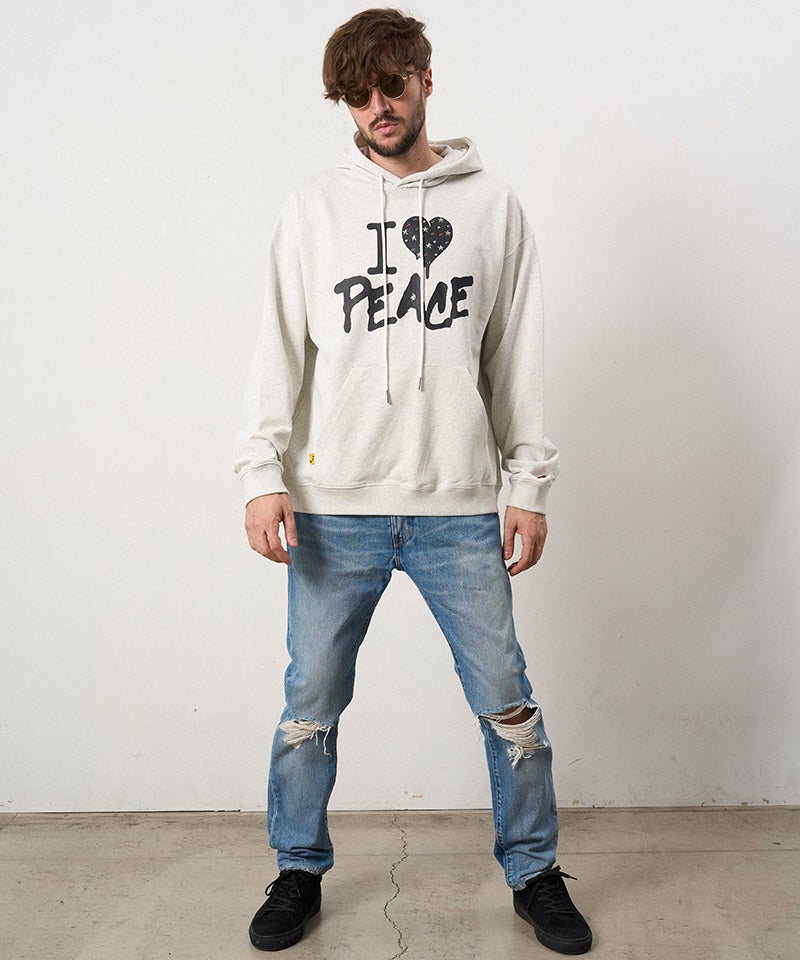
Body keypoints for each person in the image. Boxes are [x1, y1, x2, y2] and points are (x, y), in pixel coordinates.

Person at [232, 8, 592, 955]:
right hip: (333, 509)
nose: (377, 105)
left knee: (508, 703)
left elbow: (516, 359)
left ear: (426, 79)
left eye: (391, 84)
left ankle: (535, 872)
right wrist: (259, 473)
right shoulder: (313, 209)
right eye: (356, 93)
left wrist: (529, 485)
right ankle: (297, 871)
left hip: (459, 507)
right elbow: (276, 351)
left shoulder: (493, 207)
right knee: (309, 707)